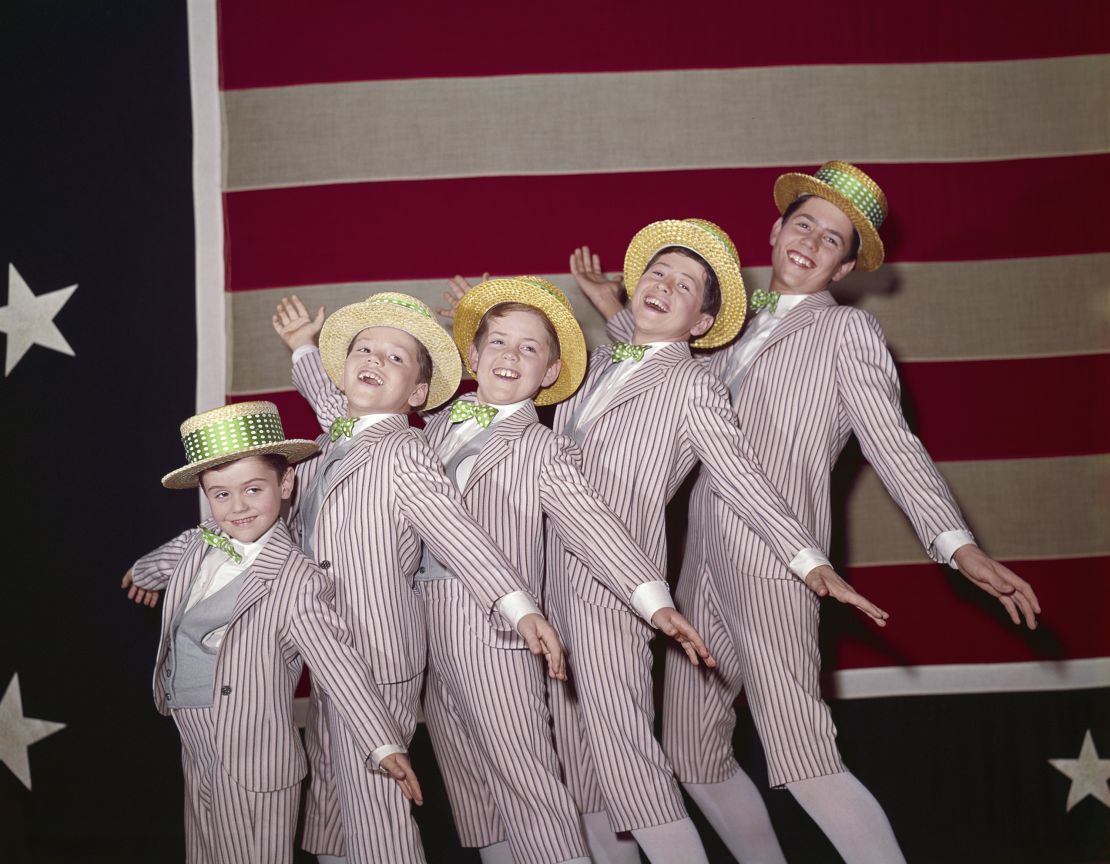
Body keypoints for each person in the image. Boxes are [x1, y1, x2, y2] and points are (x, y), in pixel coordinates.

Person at [578, 161, 1041, 863]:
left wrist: (956, 545)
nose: (810, 243)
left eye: (831, 240)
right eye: (803, 225)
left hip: (781, 568)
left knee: (801, 755)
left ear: (848, 264)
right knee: (692, 755)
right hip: (696, 563)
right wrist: (612, 307)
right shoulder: (726, 323)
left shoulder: (846, 334)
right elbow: (656, 368)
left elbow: (894, 444)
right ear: (775, 229)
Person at [279, 278, 715, 864]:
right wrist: (308, 352)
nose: (511, 356)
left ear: (552, 372)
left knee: (526, 784)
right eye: (500, 342)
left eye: (529, 348)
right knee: (476, 799)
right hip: (426, 639)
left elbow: (592, 525)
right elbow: (351, 416)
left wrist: (652, 600)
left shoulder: (539, 448)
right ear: (474, 356)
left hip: (496, 638)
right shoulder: (430, 428)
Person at [544, 218, 884, 864]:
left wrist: (808, 560)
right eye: (658, 274)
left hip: (619, 593)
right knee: (586, 783)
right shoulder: (592, 374)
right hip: (551, 590)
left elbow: (744, 479)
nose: (665, 287)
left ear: (703, 324)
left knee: (636, 781)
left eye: (686, 285)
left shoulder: (697, 386)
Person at [273, 292, 564, 864]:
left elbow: (458, 533)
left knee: (376, 804)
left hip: (378, 650)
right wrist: (304, 347)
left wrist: (519, 608)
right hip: (328, 645)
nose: (375, 361)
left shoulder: (404, 450)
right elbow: (333, 403)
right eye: (364, 349)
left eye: (396, 358)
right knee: (332, 803)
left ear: (419, 395)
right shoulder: (338, 437)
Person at [121, 401, 421, 864]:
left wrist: (382, 744)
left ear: (285, 483)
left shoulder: (297, 578)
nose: (237, 507)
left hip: (254, 753)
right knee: (205, 849)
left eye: (253, 489)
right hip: (194, 737)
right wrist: (142, 574)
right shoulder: (201, 541)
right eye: (220, 494)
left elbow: (339, 666)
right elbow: (163, 561)